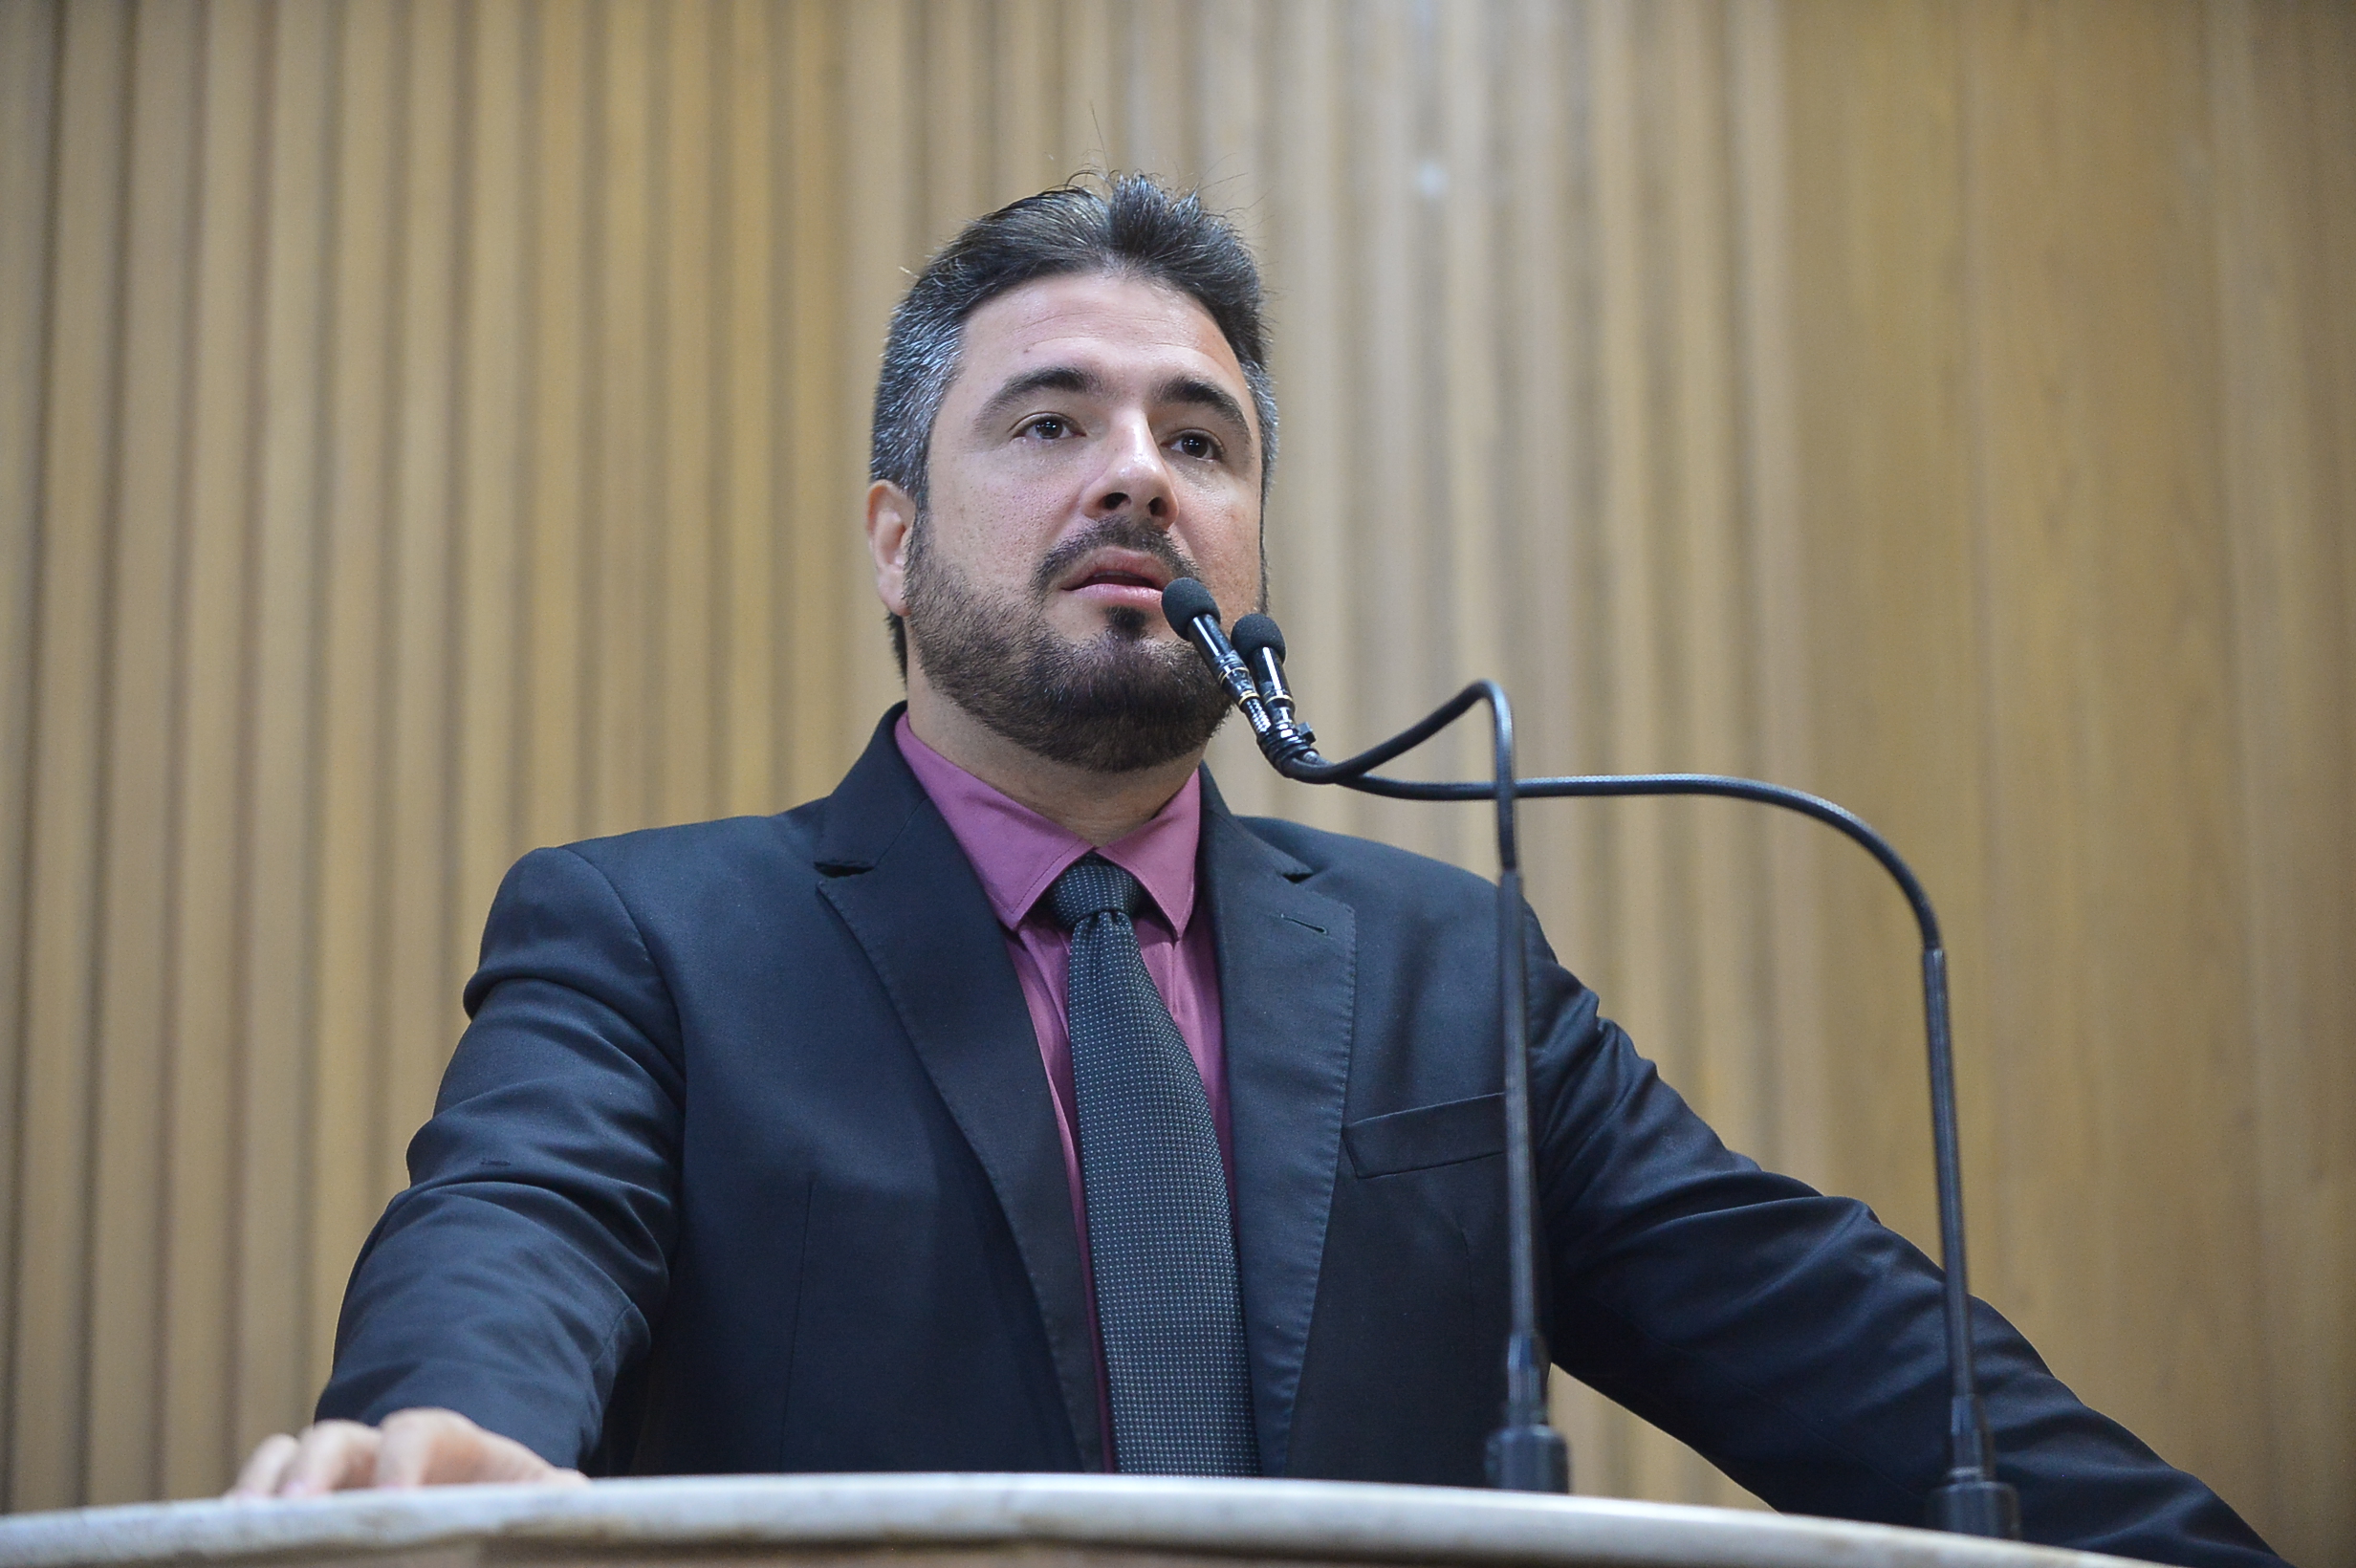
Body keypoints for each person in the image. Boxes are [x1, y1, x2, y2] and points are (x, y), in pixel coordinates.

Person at [231, 178, 2281, 1568]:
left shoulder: (1446, 971)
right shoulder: (654, 938)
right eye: (1049, 422)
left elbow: (1816, 1326)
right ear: (892, 542)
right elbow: (518, 1227)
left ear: (1249, 550)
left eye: (1199, 442)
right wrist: (442, 1449)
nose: (1138, 470)